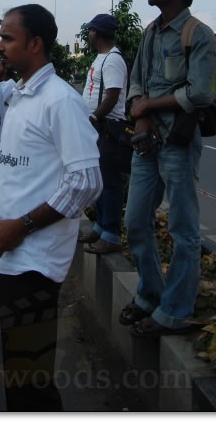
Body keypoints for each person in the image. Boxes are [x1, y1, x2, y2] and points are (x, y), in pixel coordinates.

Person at [0, 4, 102, 412]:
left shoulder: (60, 100)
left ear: (36, 44)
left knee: (30, 384)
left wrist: (21, 228)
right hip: (12, 256)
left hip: (34, 265)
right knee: (19, 375)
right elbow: (21, 180)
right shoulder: (22, 95)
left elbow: (85, 182)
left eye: (7, 37)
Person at [119, 0, 216, 338]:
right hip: (146, 142)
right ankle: (150, 294)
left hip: (177, 144)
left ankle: (176, 310)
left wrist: (151, 106)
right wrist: (140, 115)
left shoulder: (199, 34)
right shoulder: (150, 32)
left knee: (183, 229)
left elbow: (200, 92)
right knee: (135, 222)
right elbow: (137, 82)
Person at [80, 13, 129, 254]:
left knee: (109, 182)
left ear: (96, 33)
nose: (88, 35)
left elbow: (112, 95)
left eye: (90, 31)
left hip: (107, 126)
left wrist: (94, 117)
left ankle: (110, 234)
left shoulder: (112, 60)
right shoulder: (102, 58)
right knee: (100, 181)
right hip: (98, 126)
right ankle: (100, 227)